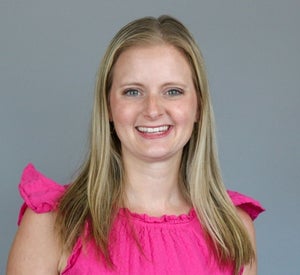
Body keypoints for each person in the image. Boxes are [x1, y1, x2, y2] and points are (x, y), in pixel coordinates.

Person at [6, 15, 264, 275]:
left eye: (173, 91)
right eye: (133, 91)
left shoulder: (233, 230)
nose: (152, 110)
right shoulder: (52, 225)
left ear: (198, 106)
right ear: (108, 106)